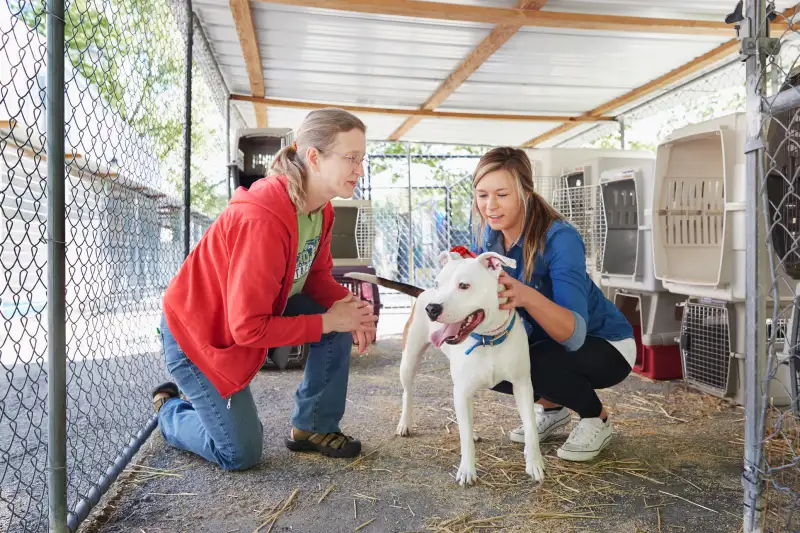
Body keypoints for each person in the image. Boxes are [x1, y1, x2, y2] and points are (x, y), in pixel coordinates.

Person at [150, 108, 378, 471]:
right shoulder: (264, 217)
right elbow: (247, 328)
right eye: (351, 158)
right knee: (239, 453)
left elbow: (316, 278)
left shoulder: (321, 209)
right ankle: (170, 410)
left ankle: (313, 428)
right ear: (314, 157)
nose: (360, 169)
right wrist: (329, 321)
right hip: (199, 336)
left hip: (249, 316)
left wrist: (353, 312)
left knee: (336, 320)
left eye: (361, 159)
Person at [470, 146, 637, 462]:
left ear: (526, 193)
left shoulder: (559, 237)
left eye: (502, 195)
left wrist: (524, 294)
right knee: (485, 358)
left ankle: (595, 418)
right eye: (482, 195)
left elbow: (573, 335)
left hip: (605, 345)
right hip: (548, 345)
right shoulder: (488, 238)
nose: (490, 206)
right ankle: (552, 407)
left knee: (534, 359)